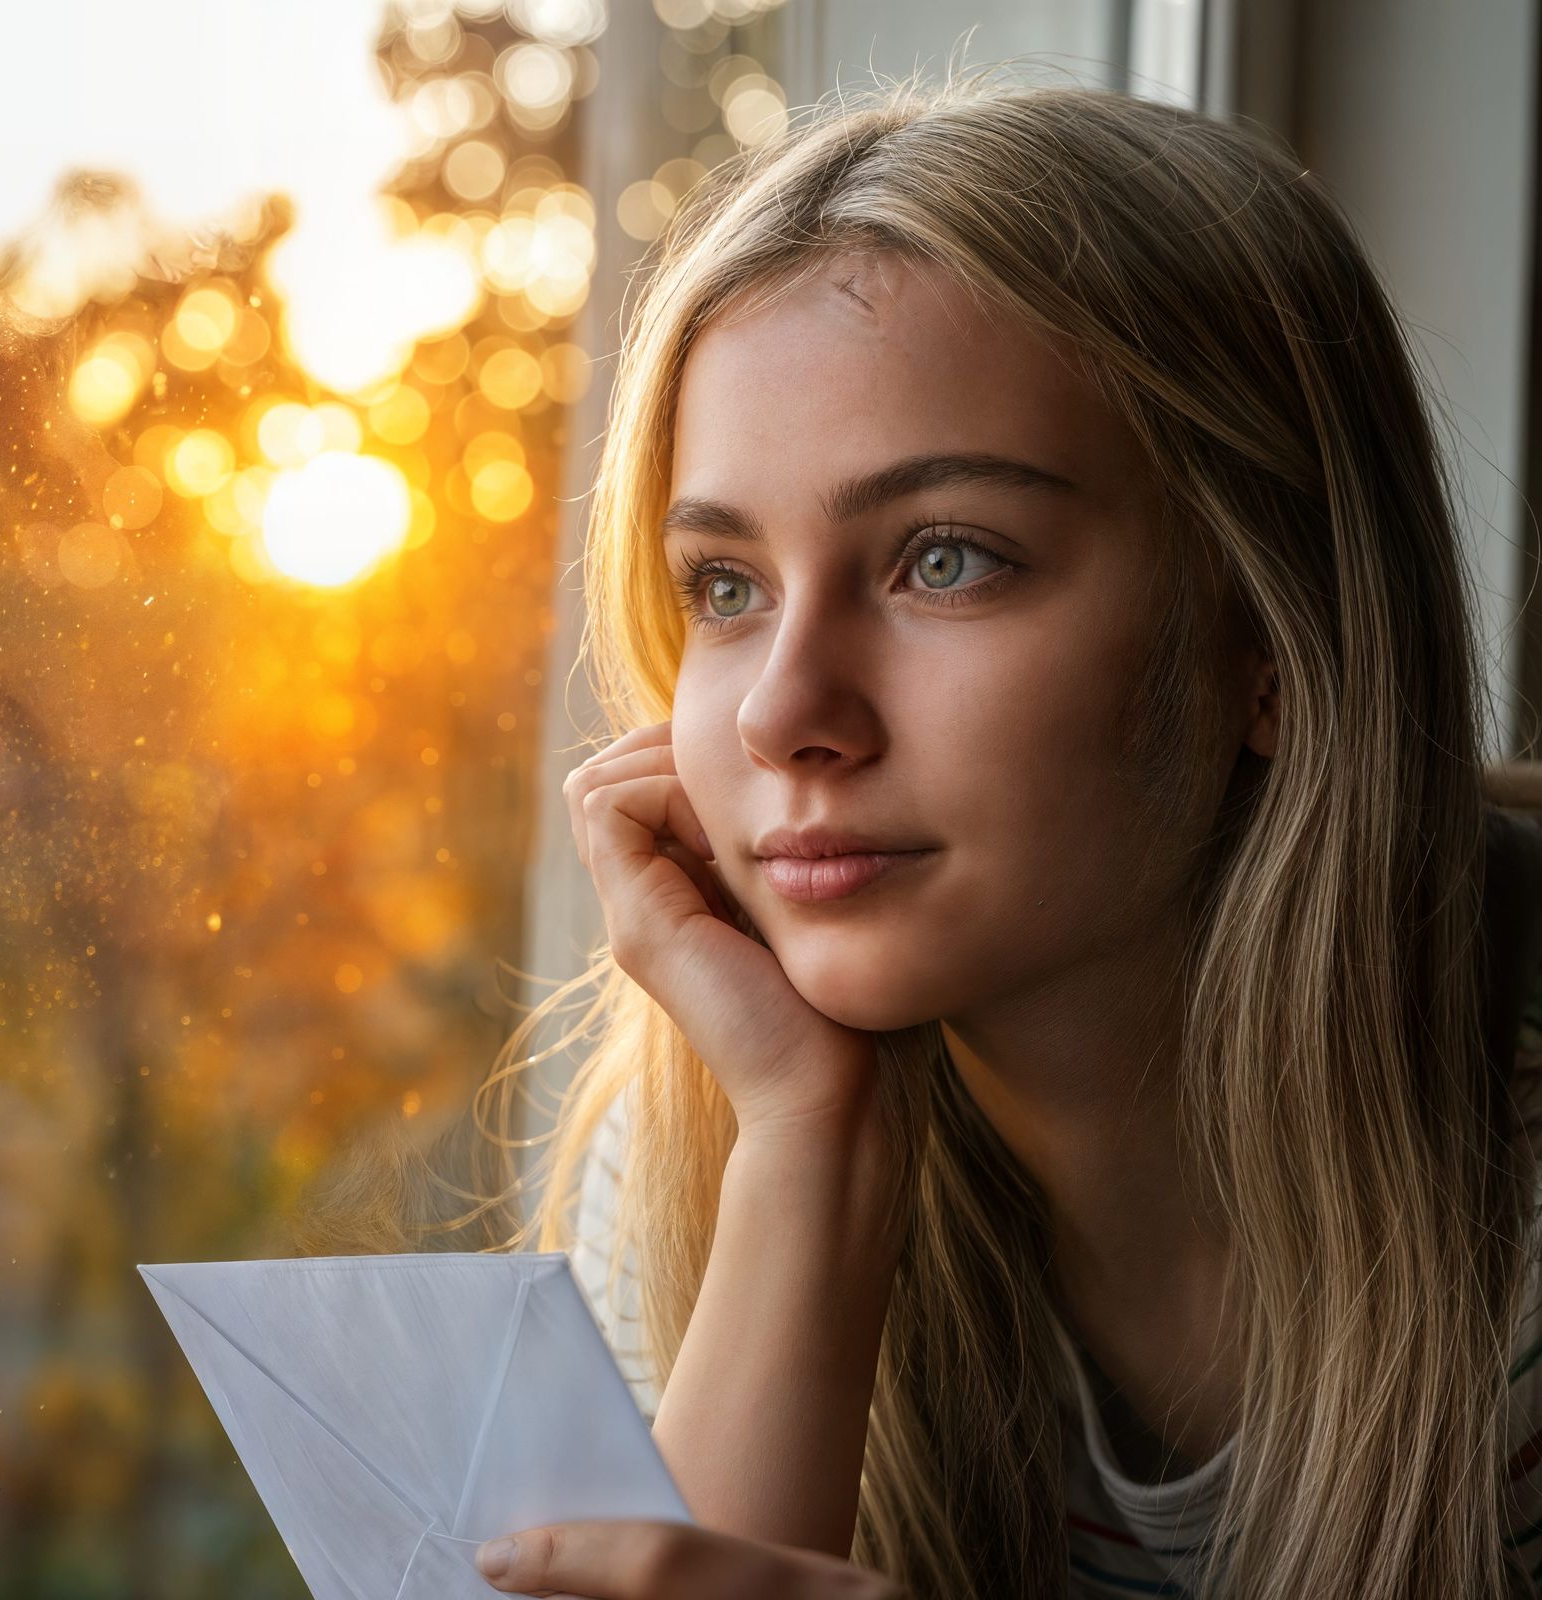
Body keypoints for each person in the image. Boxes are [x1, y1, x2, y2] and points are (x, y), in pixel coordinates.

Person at [327, 69, 1542, 1599]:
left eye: (946, 560)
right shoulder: (711, 1134)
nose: (784, 712)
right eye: (725, 587)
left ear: (1270, 641)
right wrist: (809, 1149)